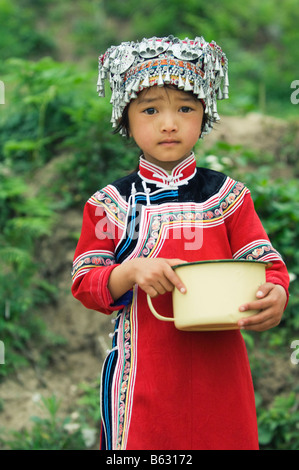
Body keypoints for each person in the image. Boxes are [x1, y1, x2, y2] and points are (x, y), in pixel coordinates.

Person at [71, 36, 289, 450]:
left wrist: (276, 294)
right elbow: (86, 282)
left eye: (185, 108)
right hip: (144, 379)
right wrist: (130, 270)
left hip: (220, 376)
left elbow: (270, 268)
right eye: (150, 109)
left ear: (204, 114)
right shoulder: (109, 204)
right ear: (125, 117)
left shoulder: (229, 198)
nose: (168, 123)